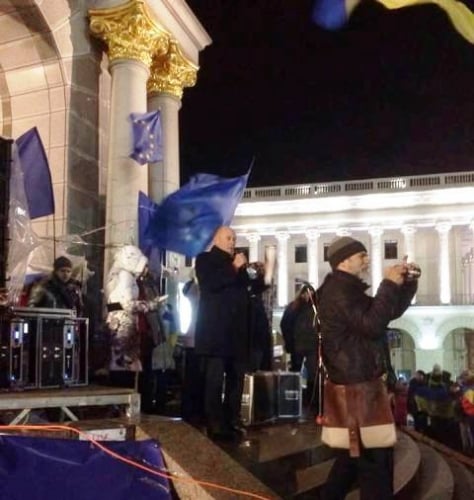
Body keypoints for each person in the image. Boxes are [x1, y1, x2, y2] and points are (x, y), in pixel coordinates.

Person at [317, 236, 418, 500]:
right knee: (375, 462)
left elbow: (384, 313)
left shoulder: (346, 289)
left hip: (358, 381)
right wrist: (387, 284)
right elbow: (372, 324)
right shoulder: (339, 291)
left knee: (354, 459)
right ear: (345, 260)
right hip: (357, 385)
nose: (367, 259)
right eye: (362, 255)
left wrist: (405, 285)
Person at [194, 226, 251, 440]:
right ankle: (215, 422)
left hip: (236, 333)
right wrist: (234, 268)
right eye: (228, 237)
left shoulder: (235, 263)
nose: (232, 241)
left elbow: (247, 290)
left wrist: (257, 274)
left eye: (234, 238)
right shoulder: (205, 260)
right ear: (216, 239)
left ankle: (232, 419)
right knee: (215, 380)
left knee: (237, 379)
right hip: (215, 333)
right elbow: (210, 284)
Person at [105, 245, 164, 388]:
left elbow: (112, 304)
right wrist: (150, 305)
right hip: (124, 329)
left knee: (121, 367)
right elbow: (127, 304)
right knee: (125, 370)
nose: (145, 269)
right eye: (144, 264)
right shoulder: (125, 277)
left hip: (119, 326)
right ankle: (123, 404)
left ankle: (119, 404)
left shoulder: (117, 275)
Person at [280, 285, 318, 408]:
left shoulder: (295, 307)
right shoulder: (308, 308)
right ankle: (304, 400)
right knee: (307, 372)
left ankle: (297, 400)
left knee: (302, 371)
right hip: (306, 344)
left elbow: (285, 324)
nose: (310, 295)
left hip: (303, 344)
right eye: (308, 293)